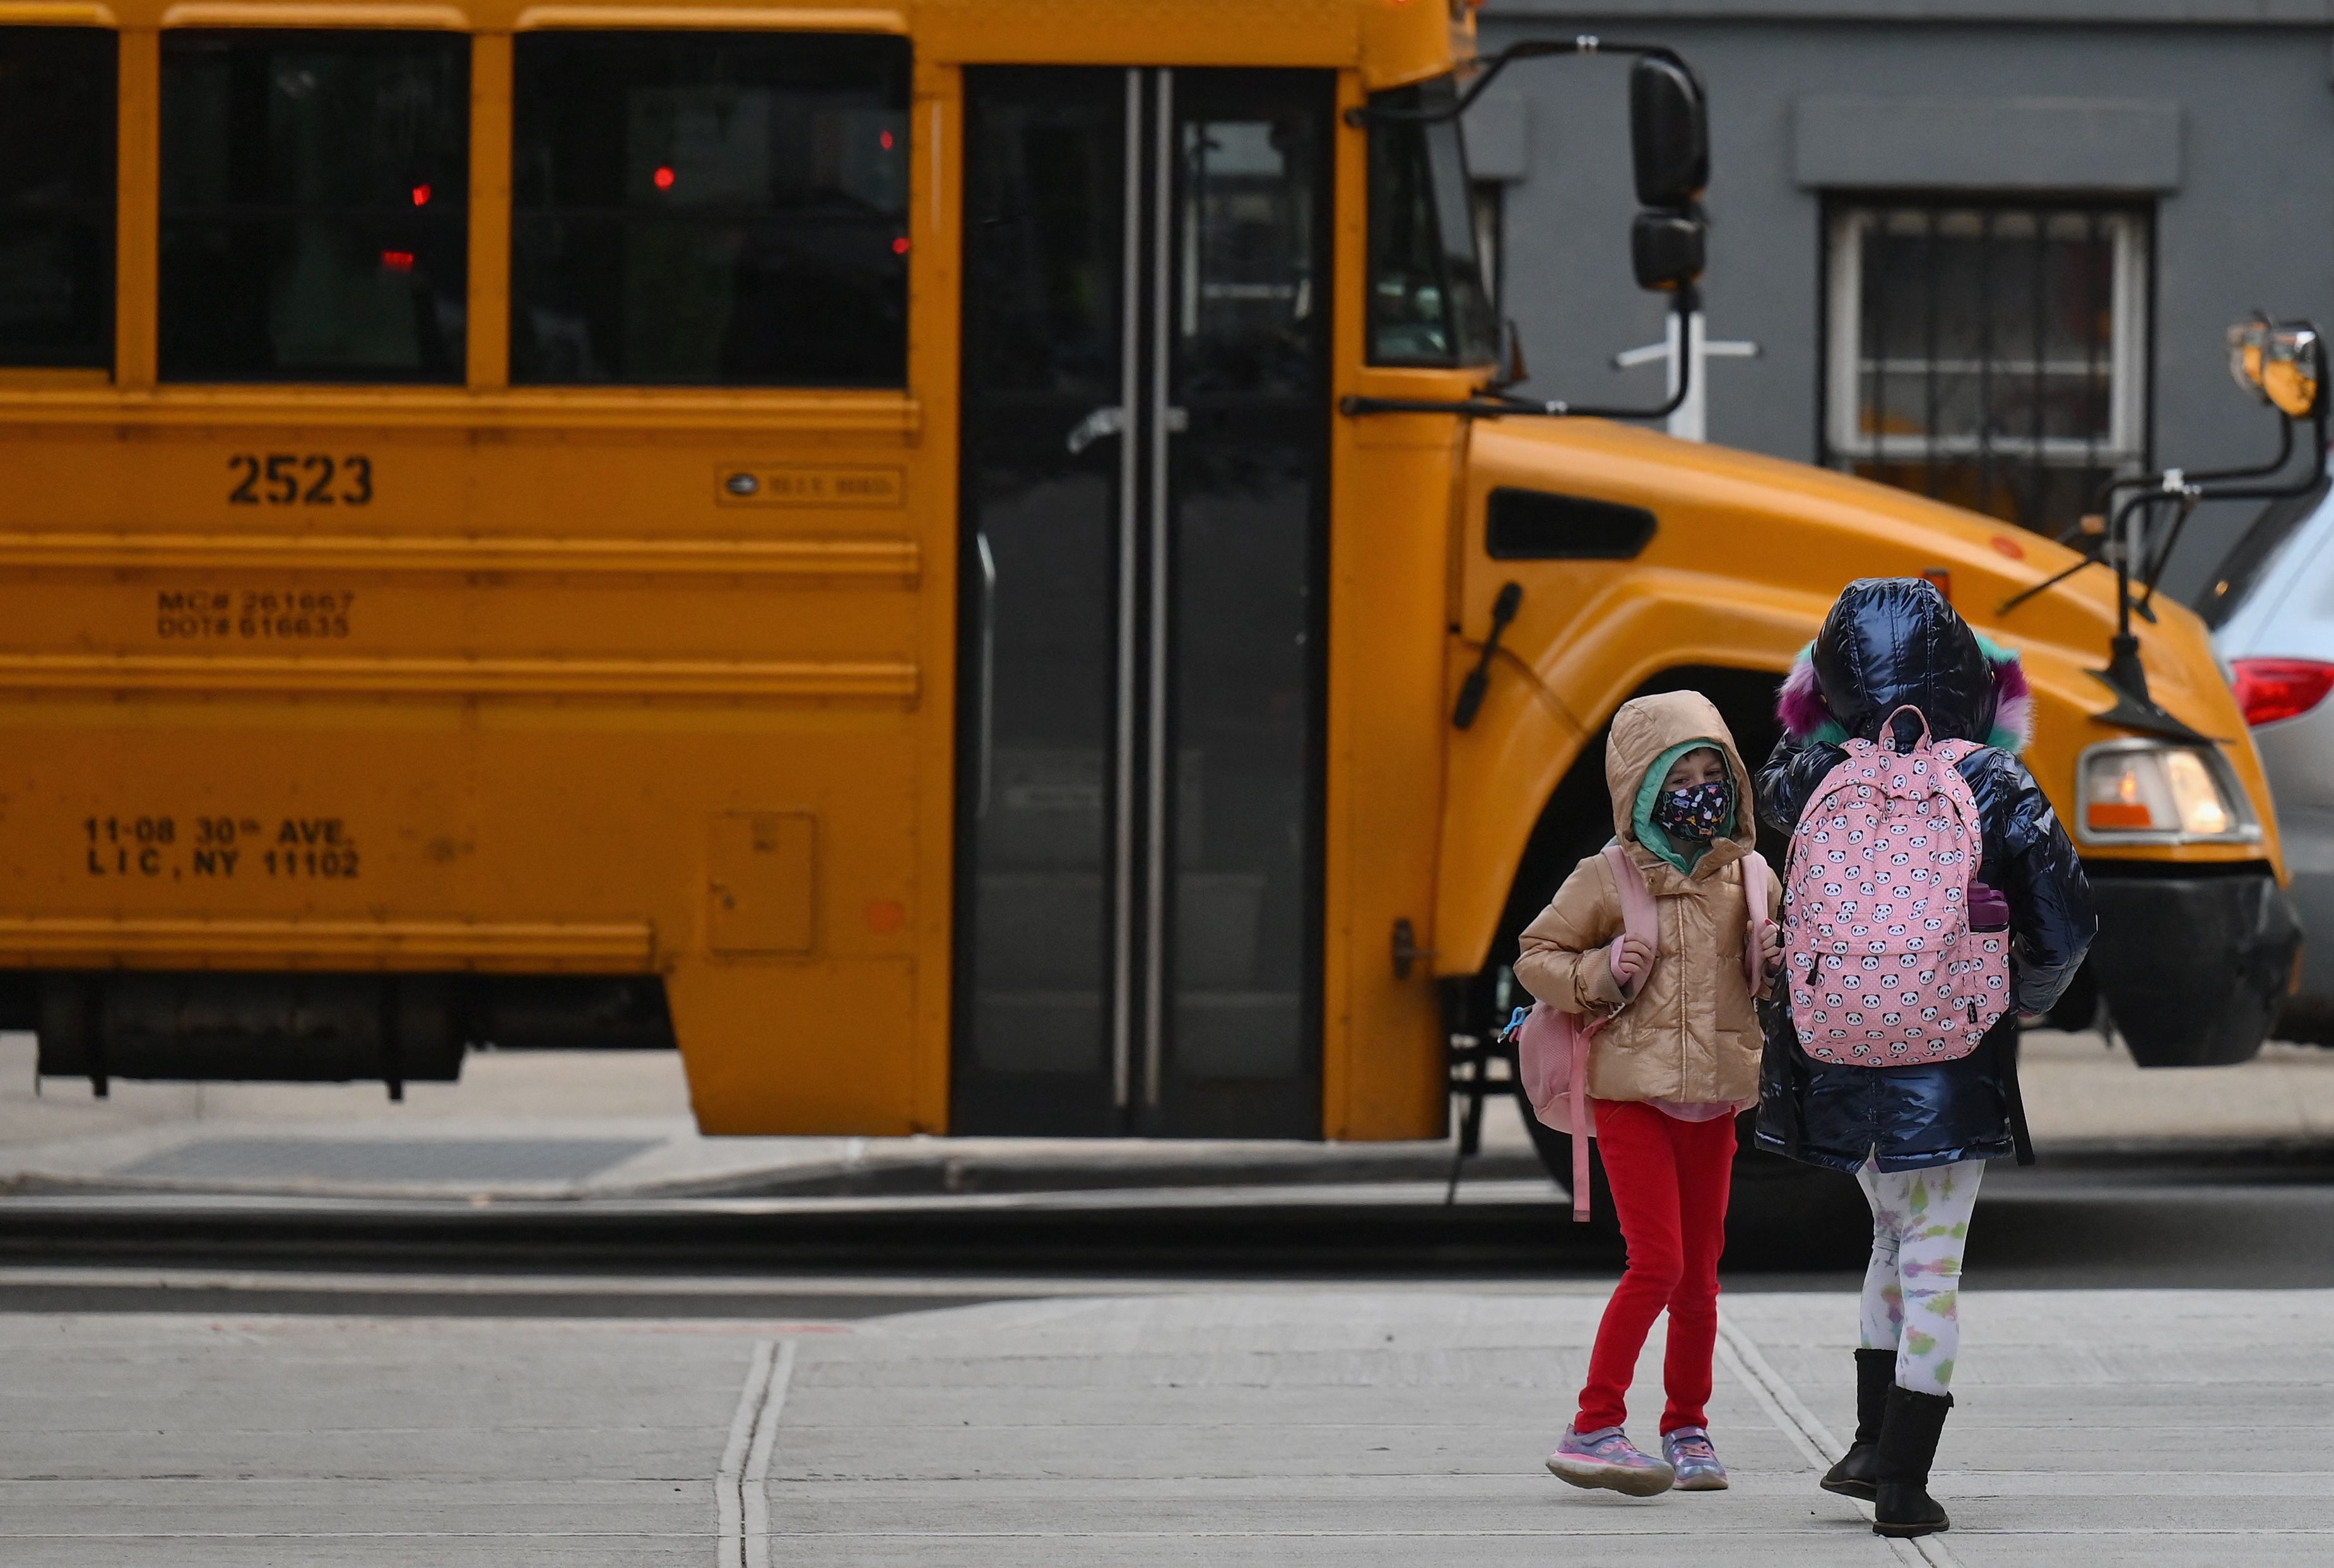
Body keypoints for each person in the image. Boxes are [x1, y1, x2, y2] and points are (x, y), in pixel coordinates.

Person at [1756, 577, 2095, 1539]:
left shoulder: (1807, 775)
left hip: (1834, 1053)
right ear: (1966, 676)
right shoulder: (1992, 781)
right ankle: (1904, 1483)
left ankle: (1867, 1446)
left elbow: (1778, 782)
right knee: (1933, 1260)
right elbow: (2065, 927)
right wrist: (2018, 994)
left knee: (1884, 1240)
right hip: (1947, 1054)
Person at [1516, 691, 1781, 1498]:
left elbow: (1764, 986)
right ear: (1643, 788)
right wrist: (1601, 973)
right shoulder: (1609, 875)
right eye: (1681, 774)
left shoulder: (1752, 877)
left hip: (1714, 1099)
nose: (1701, 788)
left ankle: (1687, 1426)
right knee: (1658, 1262)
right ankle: (1593, 1423)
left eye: (1714, 771)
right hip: (1632, 1096)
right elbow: (1536, 956)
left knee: (1700, 1274)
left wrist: (1772, 962)